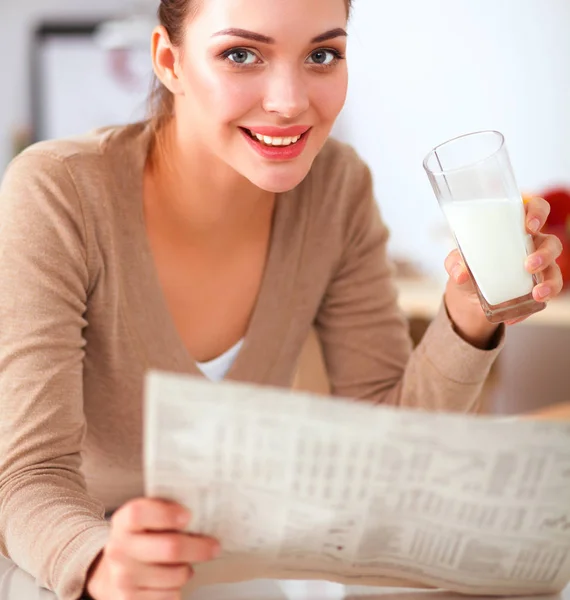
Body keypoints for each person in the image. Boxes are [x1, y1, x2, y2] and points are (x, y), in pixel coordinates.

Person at [0, 0, 565, 599]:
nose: (290, 101)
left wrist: (468, 315)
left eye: (322, 55)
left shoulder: (336, 188)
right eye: (240, 54)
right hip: (67, 567)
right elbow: (27, 476)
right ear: (169, 61)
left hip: (232, 565)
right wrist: (100, 565)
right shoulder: (59, 192)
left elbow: (391, 443)